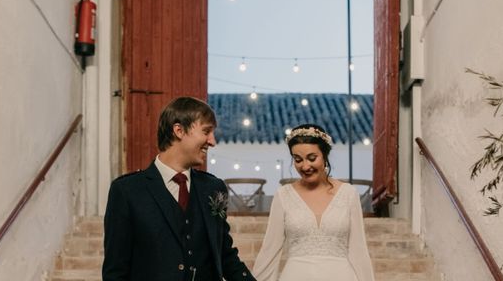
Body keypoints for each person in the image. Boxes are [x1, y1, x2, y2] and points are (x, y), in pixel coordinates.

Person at [102, 96, 255, 281]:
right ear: (179, 130)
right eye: (206, 131)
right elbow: (115, 272)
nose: (212, 141)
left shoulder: (214, 188)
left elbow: (226, 256)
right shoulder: (127, 191)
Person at [252, 123, 375, 281]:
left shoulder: (348, 194)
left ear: (325, 156)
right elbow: (269, 251)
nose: (305, 166)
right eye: (298, 160)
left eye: (312, 158)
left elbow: (359, 250)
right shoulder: (283, 195)